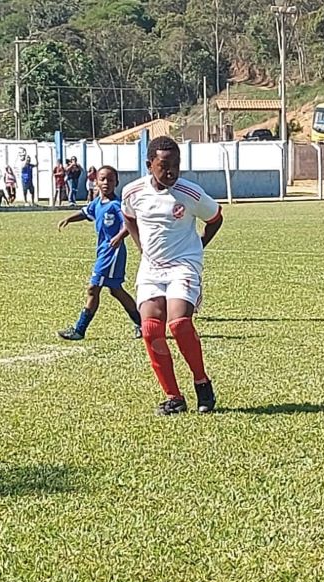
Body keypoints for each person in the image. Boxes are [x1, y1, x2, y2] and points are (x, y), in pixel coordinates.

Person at [121, 136, 224, 416]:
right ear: (149, 165)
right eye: (164, 166)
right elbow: (128, 217)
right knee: (152, 329)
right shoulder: (132, 192)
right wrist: (140, 246)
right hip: (151, 268)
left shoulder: (190, 194)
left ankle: (202, 383)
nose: (171, 172)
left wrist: (198, 246)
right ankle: (174, 397)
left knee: (178, 324)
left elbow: (215, 218)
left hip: (183, 266)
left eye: (176, 165)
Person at [57, 165, 143, 341]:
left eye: (110, 180)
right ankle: (142, 324)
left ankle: (79, 330)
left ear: (116, 183)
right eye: (102, 179)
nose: (106, 183)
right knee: (115, 290)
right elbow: (85, 213)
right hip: (103, 251)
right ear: (95, 181)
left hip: (113, 252)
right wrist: (68, 219)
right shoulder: (97, 202)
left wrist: (119, 237)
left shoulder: (116, 205)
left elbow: (129, 222)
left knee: (93, 288)